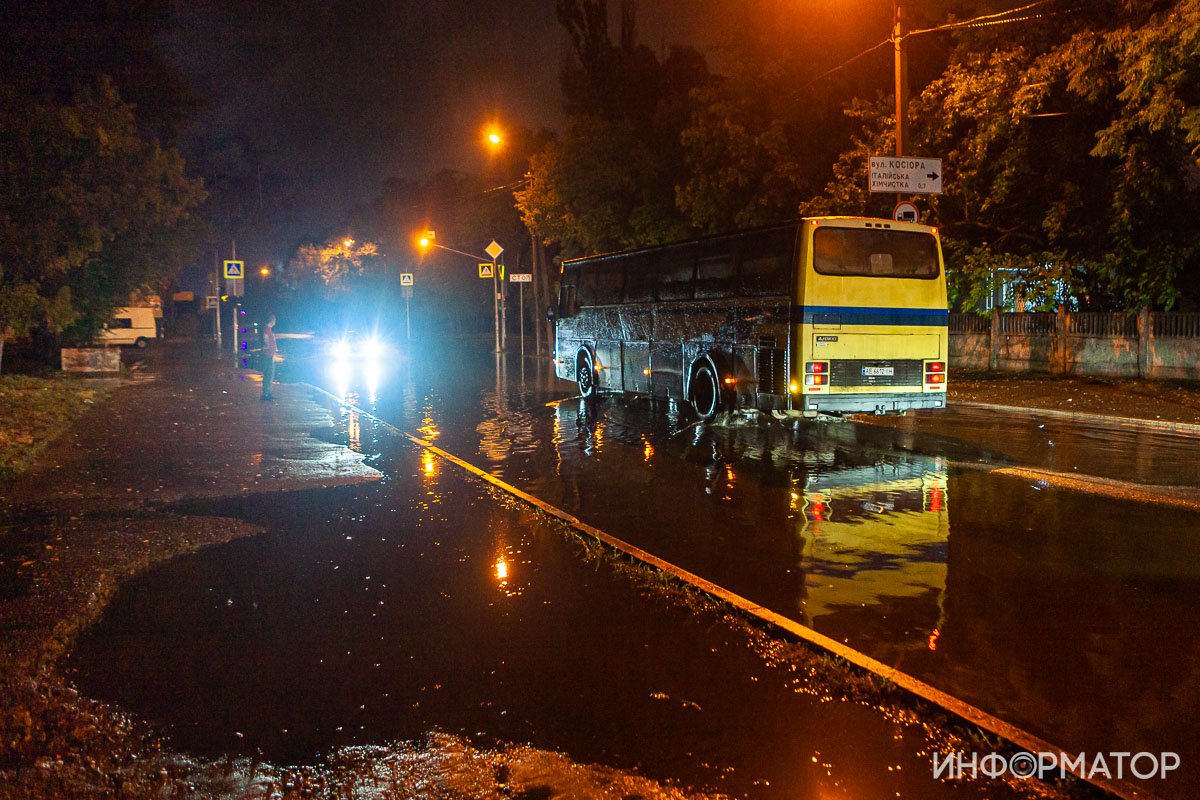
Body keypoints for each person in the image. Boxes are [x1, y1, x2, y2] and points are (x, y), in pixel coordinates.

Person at [261, 314, 277, 401]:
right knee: (268, 374)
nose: (275, 322)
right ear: (271, 321)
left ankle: (267, 392)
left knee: (269, 374)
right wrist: (269, 352)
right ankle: (265, 394)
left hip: (269, 355)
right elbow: (267, 342)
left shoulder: (268, 330)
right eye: (274, 320)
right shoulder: (267, 330)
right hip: (268, 355)